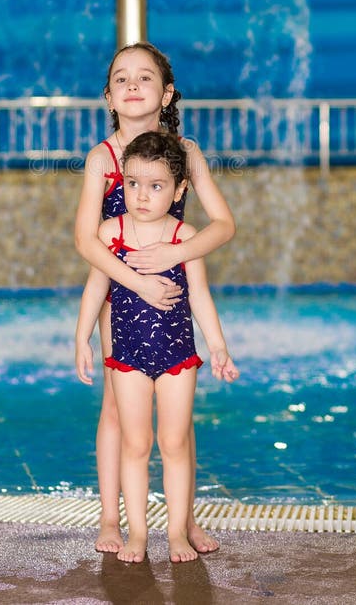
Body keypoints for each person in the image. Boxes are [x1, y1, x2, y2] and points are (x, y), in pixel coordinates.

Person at [74, 42, 236, 554]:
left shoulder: (186, 155)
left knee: (176, 420)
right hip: (119, 296)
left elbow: (224, 225)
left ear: (166, 94)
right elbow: (85, 241)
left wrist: (175, 255)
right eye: (121, 79)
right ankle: (110, 518)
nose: (132, 86)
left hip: (169, 296)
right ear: (108, 96)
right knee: (118, 412)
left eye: (144, 78)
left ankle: (183, 522)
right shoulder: (102, 158)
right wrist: (137, 279)